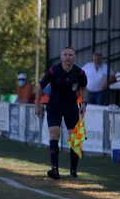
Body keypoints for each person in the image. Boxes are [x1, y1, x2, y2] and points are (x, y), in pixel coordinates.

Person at [35, 47, 88, 180]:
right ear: (61, 57)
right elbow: (40, 86)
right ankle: (55, 169)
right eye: (65, 54)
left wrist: (84, 103)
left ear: (74, 57)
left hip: (71, 108)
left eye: (70, 54)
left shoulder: (80, 73)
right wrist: (37, 105)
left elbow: (83, 88)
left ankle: (73, 171)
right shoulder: (54, 70)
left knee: (75, 139)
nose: (68, 57)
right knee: (55, 133)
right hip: (54, 107)